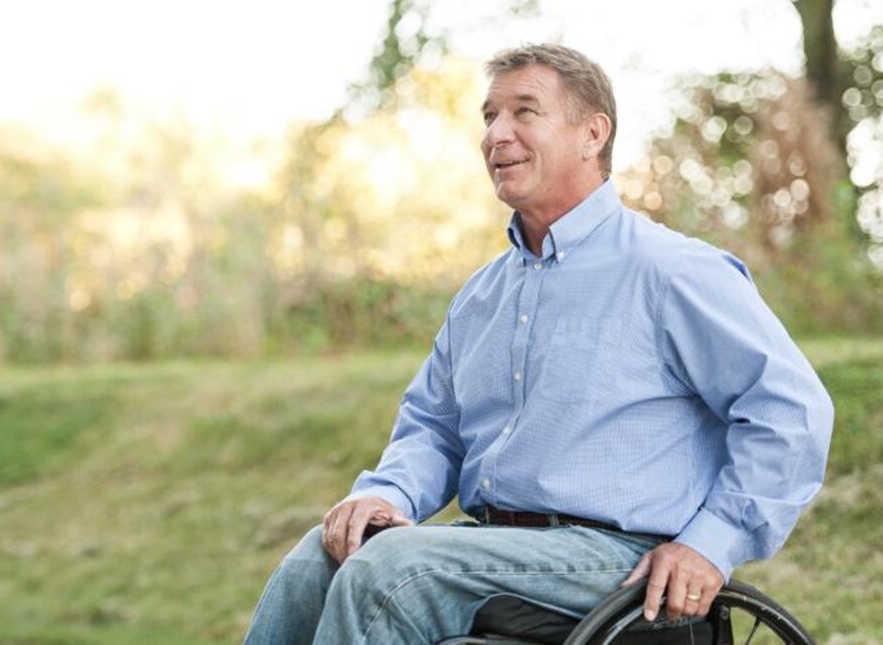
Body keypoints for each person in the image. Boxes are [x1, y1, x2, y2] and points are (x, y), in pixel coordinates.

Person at [244, 43, 833, 644]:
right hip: (497, 544)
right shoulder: (482, 296)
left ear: (592, 134)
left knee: (390, 571)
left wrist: (712, 543)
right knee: (317, 559)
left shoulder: (673, 273)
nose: (498, 135)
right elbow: (433, 428)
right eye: (489, 116)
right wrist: (383, 493)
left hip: (615, 553)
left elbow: (789, 409)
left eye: (525, 112)